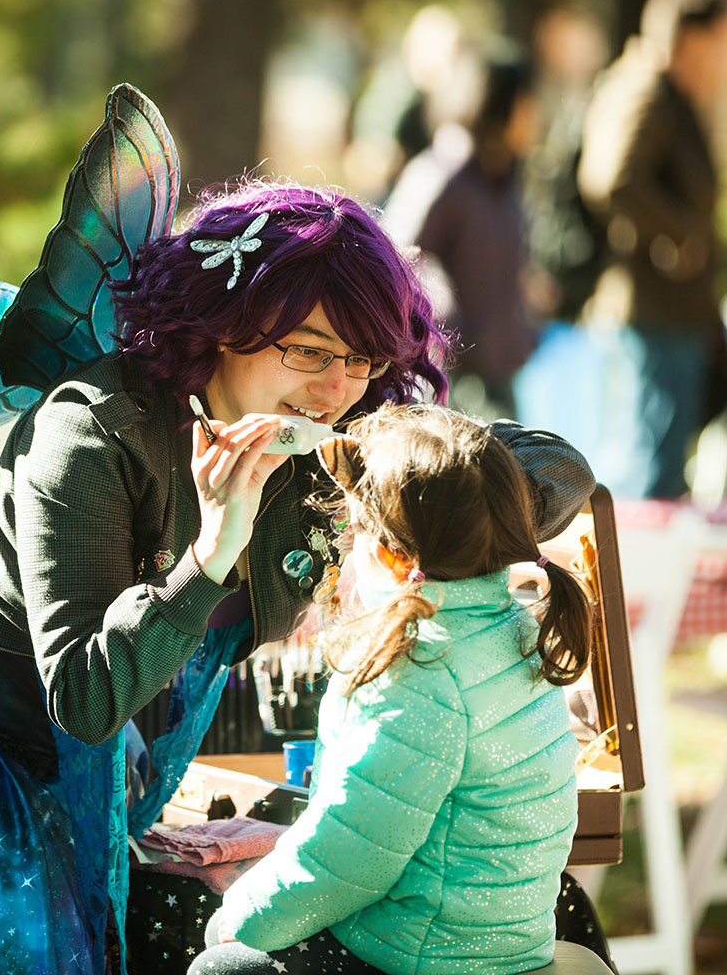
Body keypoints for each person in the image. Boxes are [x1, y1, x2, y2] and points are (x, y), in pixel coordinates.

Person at [0, 164, 595, 973]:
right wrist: (210, 558)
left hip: (98, 763)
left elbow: (560, 475)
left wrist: (423, 459)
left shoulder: (340, 437)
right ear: (223, 327)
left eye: (363, 358)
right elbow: (89, 700)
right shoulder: (93, 430)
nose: (339, 388)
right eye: (309, 349)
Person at [189, 402, 595, 975]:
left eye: (352, 528)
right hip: (504, 935)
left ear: (384, 552)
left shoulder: (416, 671)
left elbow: (351, 856)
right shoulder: (512, 625)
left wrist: (244, 913)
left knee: (220, 962)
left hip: (422, 950)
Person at [577, 0, 727, 498]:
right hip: (652, 312)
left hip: (671, 313)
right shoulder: (649, 88)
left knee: (657, 463)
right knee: (649, 471)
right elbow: (610, 178)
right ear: (692, 37)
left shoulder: (672, 95)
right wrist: (680, 237)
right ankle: (632, 580)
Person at [382, 43, 543, 420]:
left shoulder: (506, 177)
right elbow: (397, 256)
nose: (538, 116)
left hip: (500, 368)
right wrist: (446, 315)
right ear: (499, 105)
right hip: (449, 374)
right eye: (529, 103)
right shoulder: (443, 173)